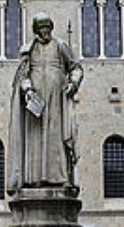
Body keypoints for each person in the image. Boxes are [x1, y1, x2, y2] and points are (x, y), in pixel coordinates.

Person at [6, 13, 83, 194]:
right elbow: (23, 76)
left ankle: (61, 178)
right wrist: (28, 91)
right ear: (36, 30)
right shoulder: (29, 50)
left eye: (48, 28)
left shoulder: (61, 46)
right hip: (36, 106)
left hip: (57, 101)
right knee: (35, 140)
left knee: (56, 137)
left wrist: (73, 83)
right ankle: (35, 179)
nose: (45, 32)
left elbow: (76, 68)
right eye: (42, 29)